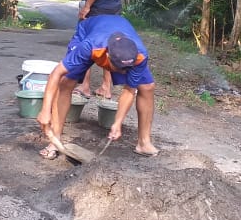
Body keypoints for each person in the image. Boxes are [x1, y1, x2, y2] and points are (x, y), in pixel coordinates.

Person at [37, 15, 159, 160]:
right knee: (66, 82)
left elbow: (129, 90)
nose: (123, 72)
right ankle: (55, 141)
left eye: (128, 69)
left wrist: (117, 122)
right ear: (107, 57)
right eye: (119, 68)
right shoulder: (89, 46)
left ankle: (144, 143)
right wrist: (45, 111)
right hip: (88, 33)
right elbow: (56, 73)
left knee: (147, 87)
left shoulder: (139, 55)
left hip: (117, 32)